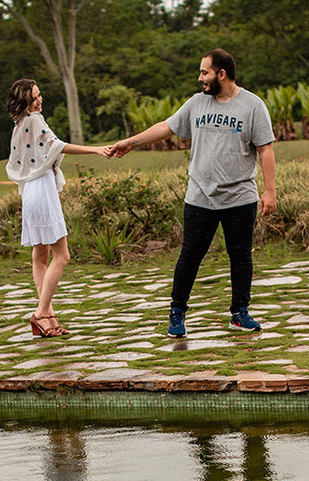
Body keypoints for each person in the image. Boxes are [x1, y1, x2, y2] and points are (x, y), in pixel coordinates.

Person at [111, 49, 276, 338]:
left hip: (240, 197)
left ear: (221, 74)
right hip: (200, 197)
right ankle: (177, 313)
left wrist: (270, 191)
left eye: (204, 72)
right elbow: (167, 127)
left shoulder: (253, 106)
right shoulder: (197, 103)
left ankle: (240, 313)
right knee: (189, 256)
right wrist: (131, 142)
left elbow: (265, 149)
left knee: (240, 256)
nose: (200, 78)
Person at [6, 79, 112, 337]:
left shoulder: (20, 124)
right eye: (34, 98)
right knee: (62, 256)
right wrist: (95, 150)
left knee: (40, 257)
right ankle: (41, 313)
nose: (39, 100)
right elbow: (57, 146)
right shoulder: (34, 120)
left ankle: (49, 317)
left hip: (31, 192)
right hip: (41, 191)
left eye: (39, 95)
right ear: (25, 103)